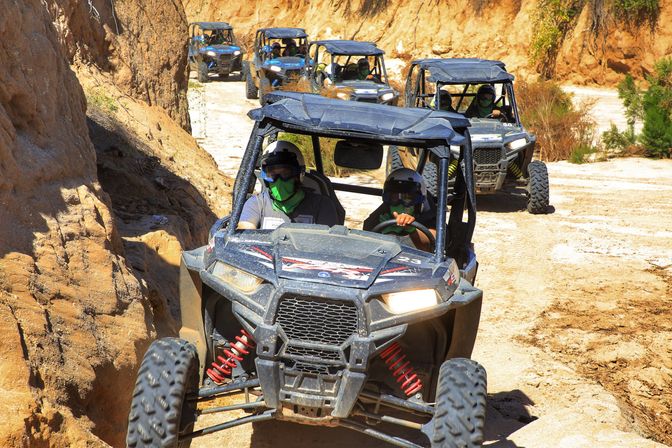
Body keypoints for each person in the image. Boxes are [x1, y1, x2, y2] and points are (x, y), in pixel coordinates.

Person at [238, 141, 339, 230]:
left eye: (285, 174)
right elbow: (245, 230)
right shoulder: (257, 204)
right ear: (265, 177)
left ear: (299, 174)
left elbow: (328, 244)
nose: (279, 181)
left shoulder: (322, 205)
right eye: (272, 174)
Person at [363, 168, 436, 251]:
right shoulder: (381, 216)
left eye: (407, 198)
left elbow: (434, 242)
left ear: (418, 200)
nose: (401, 203)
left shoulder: (428, 216)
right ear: (388, 199)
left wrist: (411, 229)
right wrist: (386, 233)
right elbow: (365, 240)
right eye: (394, 197)